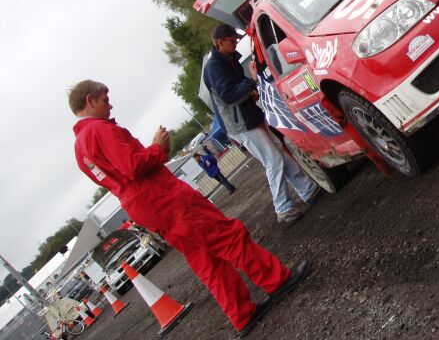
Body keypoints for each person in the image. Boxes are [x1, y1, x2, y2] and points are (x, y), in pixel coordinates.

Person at [69, 80, 310, 337]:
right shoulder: (100, 130)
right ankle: (277, 280)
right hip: (164, 197)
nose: (110, 105)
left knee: (205, 259)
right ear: (89, 100)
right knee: (228, 236)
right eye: (105, 100)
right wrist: (157, 147)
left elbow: (119, 175)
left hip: (145, 206)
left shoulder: (79, 148)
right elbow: (134, 166)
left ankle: (242, 314)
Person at [202, 23, 321, 224]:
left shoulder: (226, 60)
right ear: (220, 42)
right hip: (241, 124)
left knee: (278, 153)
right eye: (232, 41)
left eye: (235, 40)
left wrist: (250, 90)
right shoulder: (215, 67)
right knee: (273, 160)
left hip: (249, 117)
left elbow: (234, 92)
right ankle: (282, 207)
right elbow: (229, 95)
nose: (235, 44)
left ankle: (307, 189)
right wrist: (251, 81)